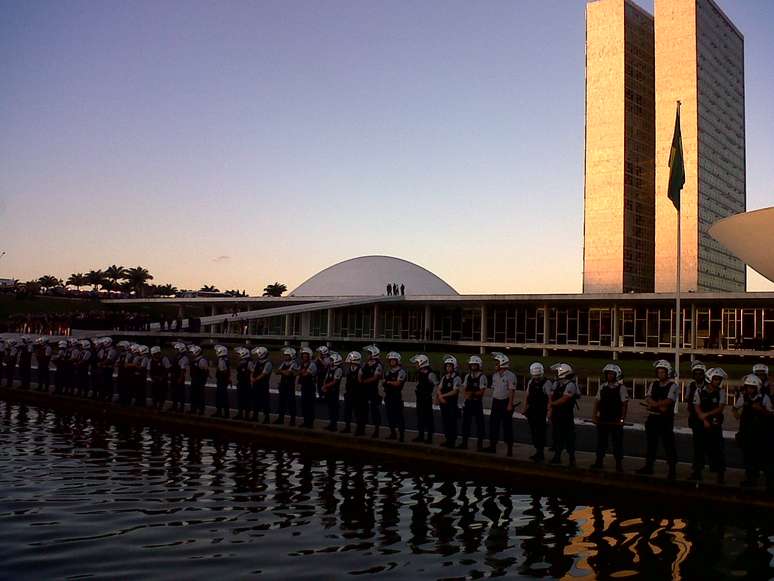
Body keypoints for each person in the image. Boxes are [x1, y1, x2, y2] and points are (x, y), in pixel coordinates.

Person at [636, 360, 679, 480]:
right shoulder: (653, 384)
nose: (660, 374)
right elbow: (648, 397)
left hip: (666, 419)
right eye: (659, 372)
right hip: (653, 418)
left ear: (667, 373)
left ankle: (672, 470)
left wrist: (655, 404)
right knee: (651, 444)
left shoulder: (673, 386)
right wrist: (657, 405)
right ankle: (648, 467)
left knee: (668, 444)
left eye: (663, 372)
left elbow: (670, 400)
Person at [733, 374, 774, 489]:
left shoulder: (764, 398)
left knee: (765, 458)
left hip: (761, 433)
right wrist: (736, 414)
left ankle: (769, 482)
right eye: (748, 387)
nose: (749, 389)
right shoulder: (743, 397)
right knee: (749, 458)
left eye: (752, 387)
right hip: (747, 433)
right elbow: (735, 408)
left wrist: (761, 410)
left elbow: (771, 414)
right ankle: (751, 480)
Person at [690, 367, 727, 483]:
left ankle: (720, 474)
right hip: (701, 424)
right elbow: (696, 406)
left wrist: (706, 415)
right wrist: (704, 419)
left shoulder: (721, 392)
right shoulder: (700, 391)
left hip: (715, 424)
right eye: (715, 379)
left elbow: (720, 408)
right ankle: (697, 472)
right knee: (698, 449)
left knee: (717, 449)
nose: (718, 382)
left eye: (719, 379)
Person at [590, 364, 628, 472]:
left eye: (612, 374)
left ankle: (619, 464)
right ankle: (599, 462)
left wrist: (622, 419)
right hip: (603, 419)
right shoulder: (602, 387)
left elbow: (624, 405)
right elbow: (597, 402)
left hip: (615, 420)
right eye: (608, 374)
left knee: (617, 443)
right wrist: (594, 416)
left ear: (616, 375)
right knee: (601, 442)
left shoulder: (622, 388)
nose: (609, 376)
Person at [484, 352, 516, 457]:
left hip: (505, 402)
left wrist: (510, 404)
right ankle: (492, 446)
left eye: (497, 363)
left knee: (507, 426)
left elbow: (511, 390)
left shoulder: (510, 376)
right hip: (496, 402)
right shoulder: (495, 375)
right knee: (493, 425)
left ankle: (509, 448)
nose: (495, 365)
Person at [548, 362, 579, 466]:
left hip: (566, 414)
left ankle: (572, 458)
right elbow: (551, 395)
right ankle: (557, 456)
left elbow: (565, 399)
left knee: (569, 436)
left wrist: (552, 404)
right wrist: (550, 410)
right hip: (557, 413)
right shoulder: (557, 384)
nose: (556, 374)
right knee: (557, 436)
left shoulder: (571, 385)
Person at [523, 362, 551, 462]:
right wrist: (525, 408)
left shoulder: (546, 383)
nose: (536, 378)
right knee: (534, 431)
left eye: (537, 376)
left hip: (541, 411)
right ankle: (537, 451)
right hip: (532, 410)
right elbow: (527, 395)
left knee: (540, 432)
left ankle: (540, 452)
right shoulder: (531, 382)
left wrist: (549, 411)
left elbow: (549, 398)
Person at [459, 355, 488, 451]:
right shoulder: (467, 376)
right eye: (471, 365)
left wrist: (471, 393)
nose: (472, 367)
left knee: (480, 424)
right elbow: (464, 390)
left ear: (479, 365)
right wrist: (469, 394)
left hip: (477, 403)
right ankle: (464, 443)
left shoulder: (482, 377)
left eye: (474, 365)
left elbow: (481, 392)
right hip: (468, 403)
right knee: (465, 423)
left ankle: (480, 444)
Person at [410, 354, 438, 443]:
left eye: (417, 363)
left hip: (426, 399)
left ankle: (429, 438)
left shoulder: (430, 374)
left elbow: (437, 386)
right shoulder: (420, 373)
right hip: (420, 398)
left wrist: (435, 398)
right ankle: (421, 436)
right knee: (420, 418)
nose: (416, 365)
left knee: (428, 418)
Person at [685, 361, 708, 472]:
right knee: (697, 442)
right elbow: (687, 400)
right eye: (696, 373)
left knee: (707, 442)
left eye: (700, 373)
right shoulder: (691, 385)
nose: (698, 376)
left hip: (706, 418)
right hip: (695, 418)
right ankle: (698, 464)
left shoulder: (708, 386)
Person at [437, 355, 461, 448]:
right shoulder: (444, 377)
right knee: (445, 422)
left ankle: (452, 441)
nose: (448, 368)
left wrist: (442, 396)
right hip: (444, 404)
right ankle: (447, 439)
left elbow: (455, 391)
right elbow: (439, 388)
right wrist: (440, 396)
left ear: (454, 366)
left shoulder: (457, 378)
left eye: (450, 366)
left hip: (451, 404)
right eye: (447, 366)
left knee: (452, 423)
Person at [359, 345, 383, 438]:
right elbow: (360, 373)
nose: (367, 355)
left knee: (374, 411)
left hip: (372, 390)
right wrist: (360, 380)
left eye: (369, 353)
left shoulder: (378, 365)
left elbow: (375, 377)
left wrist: (363, 381)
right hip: (364, 390)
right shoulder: (365, 364)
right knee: (362, 410)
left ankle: (376, 430)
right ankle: (362, 429)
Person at [382, 352, 407, 441]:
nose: (391, 362)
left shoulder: (401, 371)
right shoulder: (388, 372)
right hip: (388, 396)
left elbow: (398, 384)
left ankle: (401, 435)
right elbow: (383, 382)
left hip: (396, 396)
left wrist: (388, 382)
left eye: (393, 360)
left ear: (397, 361)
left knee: (399, 416)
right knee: (390, 416)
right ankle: (393, 433)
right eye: (390, 360)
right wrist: (387, 383)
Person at [274, 347, 297, 425]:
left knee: (291, 403)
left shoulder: (294, 363)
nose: (285, 357)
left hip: (290, 386)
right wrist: (284, 371)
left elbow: (288, 373)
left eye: (287, 355)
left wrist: (282, 371)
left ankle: (292, 420)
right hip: (283, 385)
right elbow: (277, 371)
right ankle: (280, 419)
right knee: (281, 403)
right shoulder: (284, 363)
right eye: (285, 355)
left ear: (291, 355)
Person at [322, 351, 344, 431]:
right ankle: (331, 423)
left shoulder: (338, 369)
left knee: (334, 408)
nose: (330, 361)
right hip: (329, 391)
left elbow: (335, 381)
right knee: (330, 408)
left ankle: (334, 425)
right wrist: (324, 385)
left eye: (331, 360)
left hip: (334, 391)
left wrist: (325, 386)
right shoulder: (330, 368)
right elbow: (326, 378)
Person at [297, 347, 318, 428]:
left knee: (310, 405)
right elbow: (297, 372)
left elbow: (305, 374)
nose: (304, 357)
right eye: (303, 356)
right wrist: (301, 372)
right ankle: (305, 421)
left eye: (306, 356)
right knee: (304, 405)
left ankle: (310, 423)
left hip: (310, 387)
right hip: (304, 387)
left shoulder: (312, 364)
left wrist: (301, 372)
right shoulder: (302, 364)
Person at [250, 346, 272, 423]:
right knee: (255, 401)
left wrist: (255, 379)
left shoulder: (268, 363)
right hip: (256, 384)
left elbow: (264, 374)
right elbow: (253, 370)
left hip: (263, 385)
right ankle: (255, 416)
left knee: (265, 402)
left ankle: (267, 418)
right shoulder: (257, 362)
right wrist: (252, 377)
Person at [341, 351, 361, 433]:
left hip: (357, 394)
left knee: (357, 412)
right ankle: (347, 427)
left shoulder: (360, 370)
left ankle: (359, 429)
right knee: (347, 411)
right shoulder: (349, 369)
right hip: (349, 392)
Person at [149, 346, 171, 411]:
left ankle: (161, 406)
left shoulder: (164, 359)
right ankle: (155, 406)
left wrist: (162, 377)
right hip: (155, 379)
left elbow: (167, 369)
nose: (156, 355)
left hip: (162, 380)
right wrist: (152, 378)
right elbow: (150, 370)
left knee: (162, 394)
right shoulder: (151, 360)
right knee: (154, 394)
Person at [188, 344, 209, 415]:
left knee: (200, 396)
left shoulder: (202, 360)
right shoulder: (194, 360)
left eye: (192, 352)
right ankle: (193, 409)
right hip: (194, 380)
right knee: (193, 395)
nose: (191, 354)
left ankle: (201, 410)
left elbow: (205, 371)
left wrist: (203, 380)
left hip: (199, 381)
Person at [169, 342, 189, 412]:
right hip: (174, 376)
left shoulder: (184, 358)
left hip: (179, 377)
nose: (175, 350)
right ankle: (174, 406)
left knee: (180, 393)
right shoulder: (177, 357)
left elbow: (182, 370)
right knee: (174, 392)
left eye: (176, 349)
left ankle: (181, 407)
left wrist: (180, 378)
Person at [233, 347, 252, 420]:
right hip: (241, 383)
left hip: (246, 383)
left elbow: (252, 372)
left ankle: (247, 415)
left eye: (239, 354)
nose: (238, 355)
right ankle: (240, 414)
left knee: (247, 400)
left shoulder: (249, 362)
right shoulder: (241, 362)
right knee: (240, 399)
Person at [213, 344, 231, 418]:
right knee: (223, 397)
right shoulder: (226, 359)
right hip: (224, 380)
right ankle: (224, 413)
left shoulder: (221, 360)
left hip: (222, 381)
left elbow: (223, 371)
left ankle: (220, 412)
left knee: (221, 397)